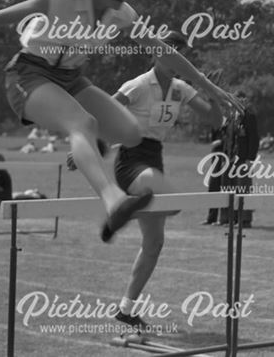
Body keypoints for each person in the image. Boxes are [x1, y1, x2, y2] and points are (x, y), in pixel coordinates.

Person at [0, 0, 239, 242]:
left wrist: (208, 86)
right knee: (82, 122)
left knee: (130, 133)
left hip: (71, 79)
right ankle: (114, 200)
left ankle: (88, 146)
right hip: (28, 75)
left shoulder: (122, 15)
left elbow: (164, 51)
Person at [110, 33, 224, 330]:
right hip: (131, 160)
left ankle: (126, 309)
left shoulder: (180, 88)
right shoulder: (136, 85)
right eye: (174, 55)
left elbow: (214, 121)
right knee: (162, 192)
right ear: (157, 53)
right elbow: (104, 110)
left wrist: (211, 93)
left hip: (154, 158)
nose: (179, 63)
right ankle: (120, 209)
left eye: (184, 58)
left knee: (155, 243)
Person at [215, 91, 260, 227]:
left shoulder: (249, 116)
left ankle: (244, 219)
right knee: (227, 187)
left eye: (240, 99)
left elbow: (254, 138)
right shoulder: (230, 116)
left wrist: (250, 158)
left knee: (243, 188)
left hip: (242, 158)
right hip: (229, 157)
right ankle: (227, 218)